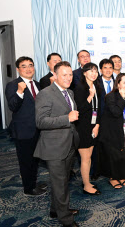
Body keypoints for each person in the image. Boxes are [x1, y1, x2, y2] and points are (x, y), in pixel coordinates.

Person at [34, 61, 80, 227]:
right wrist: (66, 118)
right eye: (64, 75)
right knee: (60, 184)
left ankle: (56, 209)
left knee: (62, 181)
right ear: (55, 75)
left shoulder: (70, 93)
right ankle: (66, 219)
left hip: (69, 144)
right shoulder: (45, 94)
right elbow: (40, 121)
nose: (68, 78)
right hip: (54, 147)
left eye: (70, 75)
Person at [5, 56, 47, 196]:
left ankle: (33, 182)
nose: (28, 69)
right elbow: (13, 107)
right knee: (26, 160)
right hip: (24, 130)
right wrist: (20, 92)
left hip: (38, 129)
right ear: (18, 69)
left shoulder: (37, 84)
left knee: (35, 159)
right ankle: (28, 188)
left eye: (30, 65)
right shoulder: (13, 85)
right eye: (24, 66)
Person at [98, 73, 125, 188]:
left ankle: (122, 175)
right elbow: (116, 112)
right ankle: (113, 177)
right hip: (111, 130)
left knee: (123, 153)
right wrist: (122, 98)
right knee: (114, 154)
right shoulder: (111, 96)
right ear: (118, 84)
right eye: (124, 82)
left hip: (123, 128)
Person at [73, 62, 101, 195]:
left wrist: (97, 125)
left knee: (89, 156)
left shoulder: (97, 86)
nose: (94, 73)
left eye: (96, 71)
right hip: (82, 127)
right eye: (91, 71)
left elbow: (99, 109)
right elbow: (80, 110)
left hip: (93, 126)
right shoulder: (79, 88)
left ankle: (87, 181)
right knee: (85, 157)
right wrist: (90, 97)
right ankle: (86, 185)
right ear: (84, 73)